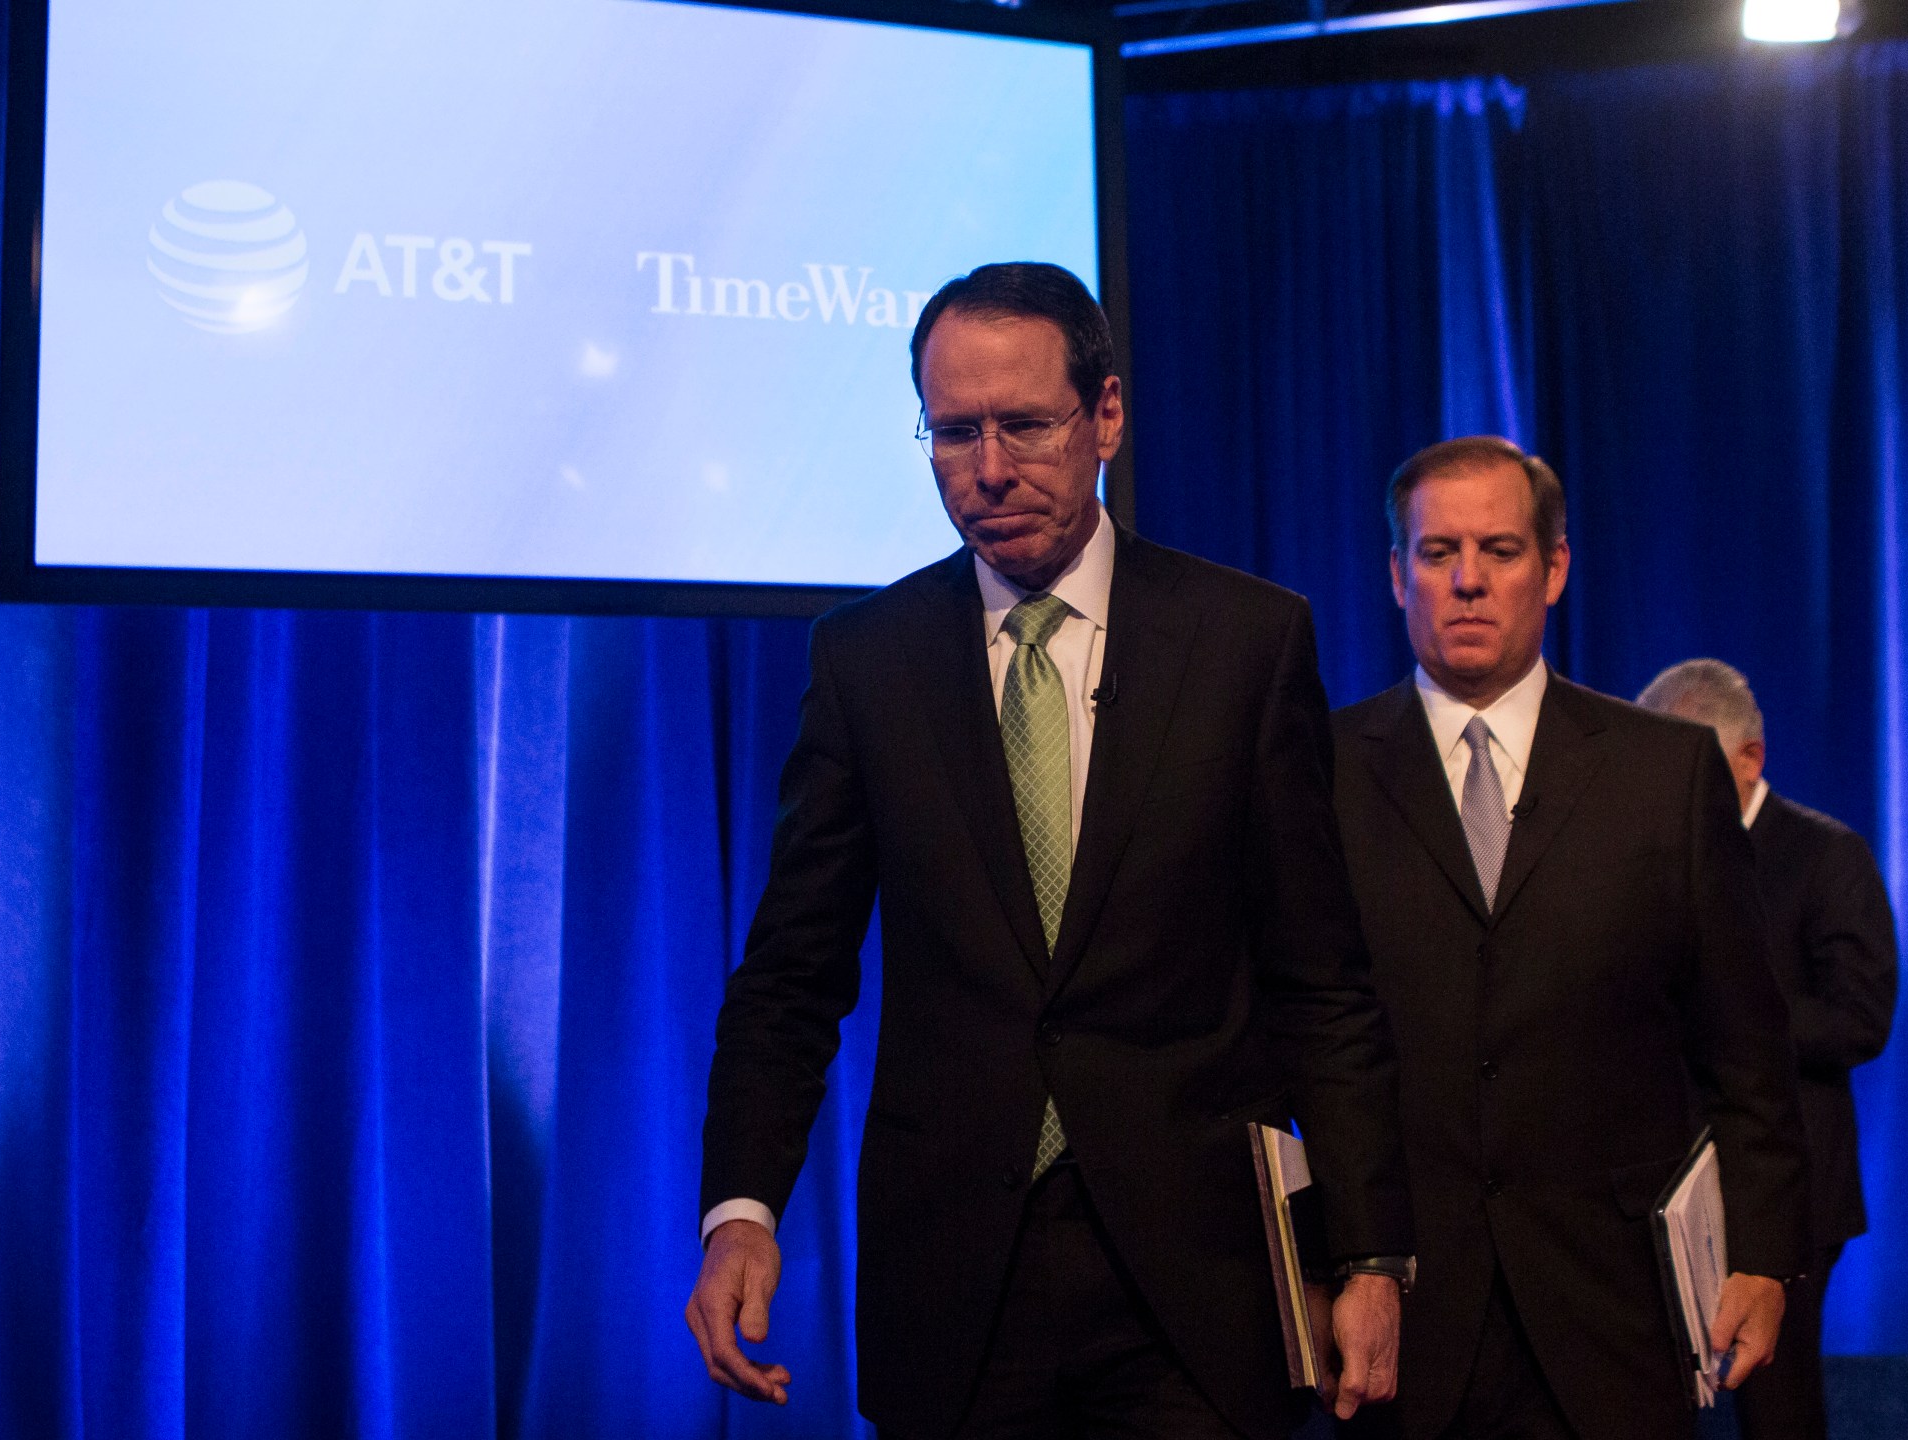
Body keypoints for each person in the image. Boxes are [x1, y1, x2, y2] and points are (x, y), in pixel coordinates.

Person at [687, 262, 1414, 1440]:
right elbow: (790, 976)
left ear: (1107, 416)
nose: (987, 470)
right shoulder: (867, 663)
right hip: (959, 1279)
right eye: (953, 431)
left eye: (1023, 425)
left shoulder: (1244, 644)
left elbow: (1320, 981)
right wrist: (740, 1208)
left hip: (1194, 1279)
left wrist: (1372, 1251)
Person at [1329, 436, 1810, 1440]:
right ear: (1392, 573)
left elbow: (1747, 1047)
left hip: (1613, 1313)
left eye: (1500, 551)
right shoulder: (1316, 771)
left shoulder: (1665, 774)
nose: (1466, 580)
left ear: (1553, 570)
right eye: (1435, 552)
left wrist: (1763, 1257)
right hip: (1402, 1323)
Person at [1636, 659, 1898, 1440]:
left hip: (1793, 1182)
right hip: (1656, 1171)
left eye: (1690, 764)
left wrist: (1728, 1010)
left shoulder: (1826, 855)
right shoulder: (1641, 855)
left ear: (1749, 758)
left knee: (1778, 1408)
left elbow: (1860, 1020)